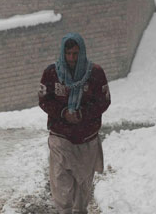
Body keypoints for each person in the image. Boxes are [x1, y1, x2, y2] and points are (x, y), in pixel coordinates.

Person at [38, 32, 111, 214]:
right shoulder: (51, 73)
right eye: (68, 54)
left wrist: (82, 114)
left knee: (83, 187)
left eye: (75, 54)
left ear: (82, 52)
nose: (71, 58)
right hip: (60, 136)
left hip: (87, 137)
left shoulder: (95, 73)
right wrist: (63, 113)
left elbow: (103, 101)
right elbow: (44, 100)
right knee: (61, 182)